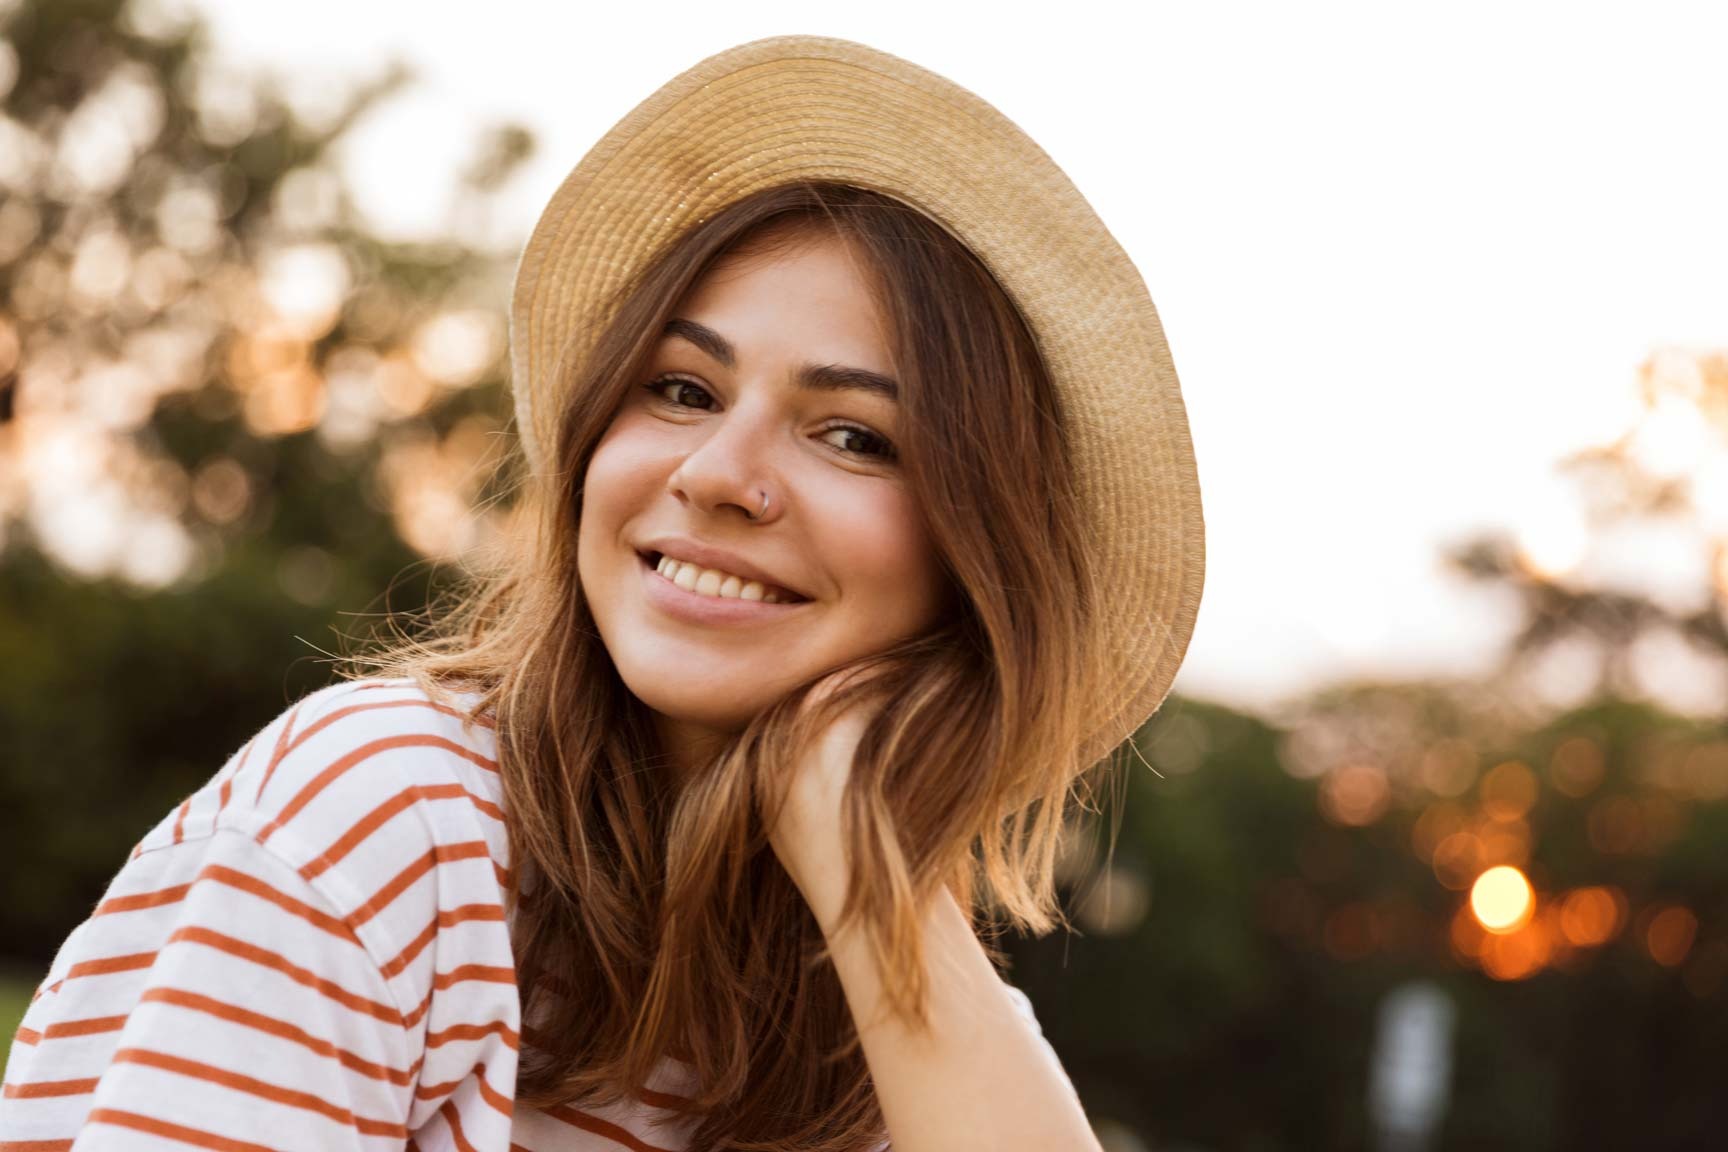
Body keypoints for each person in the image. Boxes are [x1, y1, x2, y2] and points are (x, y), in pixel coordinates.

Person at [0, 35, 1204, 1152]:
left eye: (852, 436)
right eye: (682, 389)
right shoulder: (393, 813)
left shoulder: (888, 1001)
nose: (717, 473)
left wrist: (860, 855)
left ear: (979, 554)